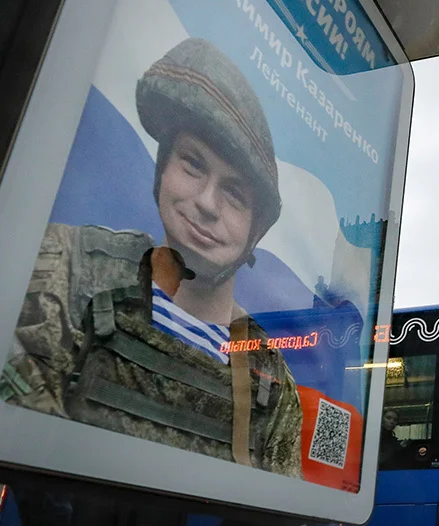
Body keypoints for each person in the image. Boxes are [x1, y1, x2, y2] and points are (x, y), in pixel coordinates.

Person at [1, 37, 303, 477]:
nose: (207, 203)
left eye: (235, 193)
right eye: (193, 164)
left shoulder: (268, 376)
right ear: (163, 168)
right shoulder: (69, 268)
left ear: (254, 232)